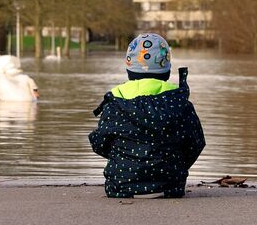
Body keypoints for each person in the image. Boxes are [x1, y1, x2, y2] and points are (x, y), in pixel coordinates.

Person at [88, 33, 205, 198]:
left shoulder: (114, 105)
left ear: (129, 69)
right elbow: (196, 143)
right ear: (167, 71)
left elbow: (100, 142)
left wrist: (122, 156)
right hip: (170, 186)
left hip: (121, 186)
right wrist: (177, 164)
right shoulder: (180, 105)